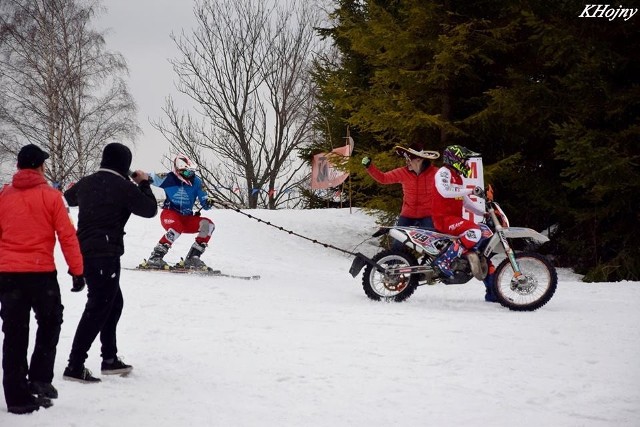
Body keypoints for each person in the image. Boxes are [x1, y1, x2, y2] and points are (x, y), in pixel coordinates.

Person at [62, 142, 158, 383]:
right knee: (98, 307)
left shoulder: (88, 182)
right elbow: (149, 209)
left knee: (112, 303)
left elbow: (69, 196)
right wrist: (143, 182)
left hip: (85, 250)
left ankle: (110, 359)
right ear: (124, 164)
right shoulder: (123, 187)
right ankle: (75, 365)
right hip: (104, 253)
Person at [0, 144, 84, 414]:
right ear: (39, 167)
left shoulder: (3, 195)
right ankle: (39, 378)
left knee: (14, 333)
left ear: (18, 167)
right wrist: (77, 271)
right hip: (40, 274)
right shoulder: (51, 196)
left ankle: (16, 397)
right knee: (50, 322)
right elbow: (67, 235)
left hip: (8, 275)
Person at [431, 145, 497, 302]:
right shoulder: (443, 172)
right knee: (475, 231)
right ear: (455, 159)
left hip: (453, 219)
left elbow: (466, 203)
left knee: (483, 232)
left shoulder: (458, 177)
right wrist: (470, 190)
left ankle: (492, 290)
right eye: (465, 160)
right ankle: (444, 260)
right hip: (443, 219)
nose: (467, 164)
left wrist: (484, 213)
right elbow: (445, 191)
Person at [140, 154, 215, 270]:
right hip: (170, 214)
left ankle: (192, 258)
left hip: (186, 218)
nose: (190, 175)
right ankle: (155, 257)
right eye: (186, 173)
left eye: (191, 172)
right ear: (178, 171)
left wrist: (208, 202)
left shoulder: (197, 182)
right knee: (176, 227)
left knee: (208, 225)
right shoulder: (167, 178)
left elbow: (205, 202)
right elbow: (143, 176)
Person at [361, 142, 439, 249]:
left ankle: (428, 265)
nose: (407, 162)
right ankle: (393, 263)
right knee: (398, 243)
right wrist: (370, 167)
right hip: (407, 215)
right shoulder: (403, 172)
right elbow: (383, 178)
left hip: (427, 215)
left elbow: (449, 183)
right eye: (406, 159)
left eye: (409, 160)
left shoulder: (435, 173)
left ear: (419, 160)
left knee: (430, 246)